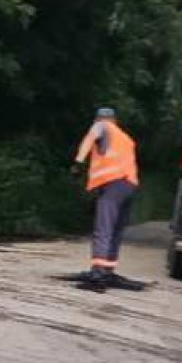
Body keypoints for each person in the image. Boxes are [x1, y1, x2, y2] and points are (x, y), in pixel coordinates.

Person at [73, 105, 140, 292]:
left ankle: (97, 274)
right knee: (116, 229)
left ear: (98, 119)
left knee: (103, 227)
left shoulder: (101, 126)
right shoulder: (125, 137)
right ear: (116, 120)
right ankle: (108, 270)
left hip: (113, 184)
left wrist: (78, 162)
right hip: (129, 185)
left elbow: (89, 139)